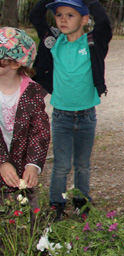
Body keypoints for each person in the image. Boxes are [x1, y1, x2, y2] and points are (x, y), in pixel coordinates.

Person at [30, 0, 112, 220]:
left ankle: (81, 202)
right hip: (61, 116)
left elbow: (104, 22)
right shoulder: (53, 42)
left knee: (82, 165)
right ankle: (56, 204)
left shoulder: (93, 42)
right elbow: (36, 16)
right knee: (61, 164)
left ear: (85, 19)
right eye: (58, 15)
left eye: (70, 15)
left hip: (87, 116)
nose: (63, 20)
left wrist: (89, 2)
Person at [0, 27, 50, 204]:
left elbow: (40, 131)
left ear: (15, 63)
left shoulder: (32, 91)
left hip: (21, 164)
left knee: (24, 214)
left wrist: (33, 164)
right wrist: (2, 162)